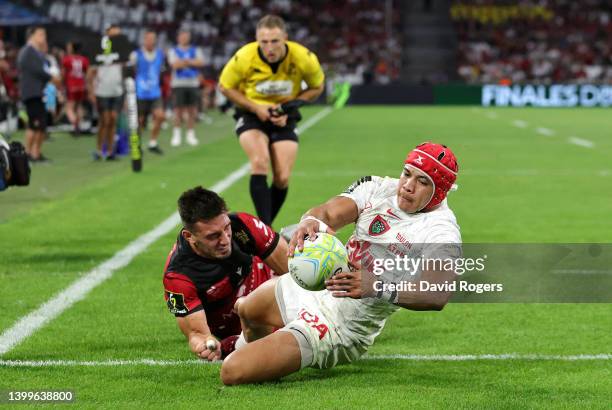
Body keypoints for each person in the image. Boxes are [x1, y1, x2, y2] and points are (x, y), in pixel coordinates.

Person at [219, 142, 461, 385]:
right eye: (407, 173)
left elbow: (437, 294)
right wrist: (310, 220)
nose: (408, 186)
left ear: (439, 191)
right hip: (319, 287)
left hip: (340, 327)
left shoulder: (441, 232)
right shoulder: (377, 188)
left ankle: (274, 352)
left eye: (422, 181)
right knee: (247, 309)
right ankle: (256, 352)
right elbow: (328, 212)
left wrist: (375, 286)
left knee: (232, 372)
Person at [219, 15, 325, 226]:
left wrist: (292, 106)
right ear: (257, 40)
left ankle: (263, 230)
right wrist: (256, 108)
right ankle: (266, 231)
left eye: (275, 41)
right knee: (259, 162)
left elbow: (317, 87)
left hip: (284, 115)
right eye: (264, 42)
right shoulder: (244, 56)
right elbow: (225, 86)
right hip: (251, 114)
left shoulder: (303, 56)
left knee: (282, 177)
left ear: (285, 38)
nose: (269, 47)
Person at [163, 186, 289, 360]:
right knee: (278, 344)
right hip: (240, 322)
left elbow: (292, 270)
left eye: (226, 228)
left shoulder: (243, 226)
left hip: (270, 281)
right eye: (213, 236)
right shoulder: (178, 278)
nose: (225, 240)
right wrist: (205, 345)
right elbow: (197, 334)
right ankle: (234, 345)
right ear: (189, 236)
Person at [17, 26, 61, 162]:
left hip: (38, 92)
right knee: (35, 124)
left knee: (39, 125)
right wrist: (51, 78)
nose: (43, 37)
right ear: (32, 36)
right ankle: (28, 154)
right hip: (32, 92)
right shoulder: (28, 51)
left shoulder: (36, 52)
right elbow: (37, 70)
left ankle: (35, 153)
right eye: (41, 34)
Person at [87, 24, 123, 161]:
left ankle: (109, 151)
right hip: (102, 91)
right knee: (105, 120)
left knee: (113, 119)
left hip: (117, 90)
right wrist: (90, 91)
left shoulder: (122, 51)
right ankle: (98, 149)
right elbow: (91, 72)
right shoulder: (99, 50)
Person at [129, 30, 165, 154]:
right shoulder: (136, 55)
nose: (150, 41)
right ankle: (137, 144)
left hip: (155, 92)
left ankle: (153, 142)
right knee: (139, 121)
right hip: (140, 92)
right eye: (148, 39)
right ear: (144, 40)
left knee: (160, 116)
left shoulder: (160, 54)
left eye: (153, 39)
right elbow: (130, 72)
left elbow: (161, 71)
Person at [167, 30, 204, 147]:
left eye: (186, 37)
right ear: (178, 38)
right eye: (182, 36)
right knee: (178, 110)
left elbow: (201, 63)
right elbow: (174, 65)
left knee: (192, 110)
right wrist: (190, 62)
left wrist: (184, 62)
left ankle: (190, 134)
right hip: (178, 84)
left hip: (192, 83)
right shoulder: (173, 50)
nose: (184, 38)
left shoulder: (195, 49)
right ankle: (176, 134)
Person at [62, 41, 89, 135]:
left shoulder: (67, 59)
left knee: (69, 108)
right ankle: (79, 126)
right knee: (78, 106)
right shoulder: (84, 59)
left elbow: (63, 73)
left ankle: (75, 125)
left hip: (71, 86)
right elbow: (86, 73)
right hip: (81, 86)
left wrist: (62, 85)